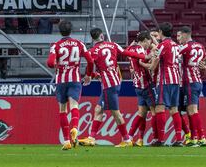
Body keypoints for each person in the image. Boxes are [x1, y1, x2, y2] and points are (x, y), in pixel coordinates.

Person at [79, 28, 150, 147]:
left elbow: (90, 66)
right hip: (115, 81)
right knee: (98, 109)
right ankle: (91, 138)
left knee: (115, 112)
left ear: (93, 39)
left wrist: (89, 75)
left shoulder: (93, 51)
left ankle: (127, 140)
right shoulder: (113, 45)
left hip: (109, 84)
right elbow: (127, 53)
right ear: (102, 36)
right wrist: (143, 56)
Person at [46, 21, 94, 150]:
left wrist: (56, 64)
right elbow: (90, 60)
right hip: (75, 79)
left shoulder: (56, 45)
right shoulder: (79, 44)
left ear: (59, 31)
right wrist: (88, 74)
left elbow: (50, 63)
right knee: (74, 106)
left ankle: (67, 140)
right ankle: (75, 128)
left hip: (61, 80)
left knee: (62, 110)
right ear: (71, 30)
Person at [150, 22, 184, 147]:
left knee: (160, 108)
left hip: (165, 80)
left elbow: (155, 64)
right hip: (176, 80)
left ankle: (160, 139)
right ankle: (179, 139)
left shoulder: (162, 45)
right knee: (174, 109)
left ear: (161, 32)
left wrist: (150, 69)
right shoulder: (176, 45)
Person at [178, 26, 206, 147]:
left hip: (189, 82)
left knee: (192, 110)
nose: (179, 38)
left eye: (180, 36)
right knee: (191, 110)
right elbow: (204, 63)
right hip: (197, 81)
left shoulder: (187, 46)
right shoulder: (201, 46)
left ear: (186, 34)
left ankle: (202, 137)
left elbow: (173, 54)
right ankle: (194, 137)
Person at [127, 31, 158, 147]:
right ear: (144, 40)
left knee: (141, 113)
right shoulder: (141, 50)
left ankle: (132, 138)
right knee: (154, 111)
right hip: (146, 84)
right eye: (148, 41)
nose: (149, 44)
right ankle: (156, 138)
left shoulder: (131, 48)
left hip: (137, 85)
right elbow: (148, 64)